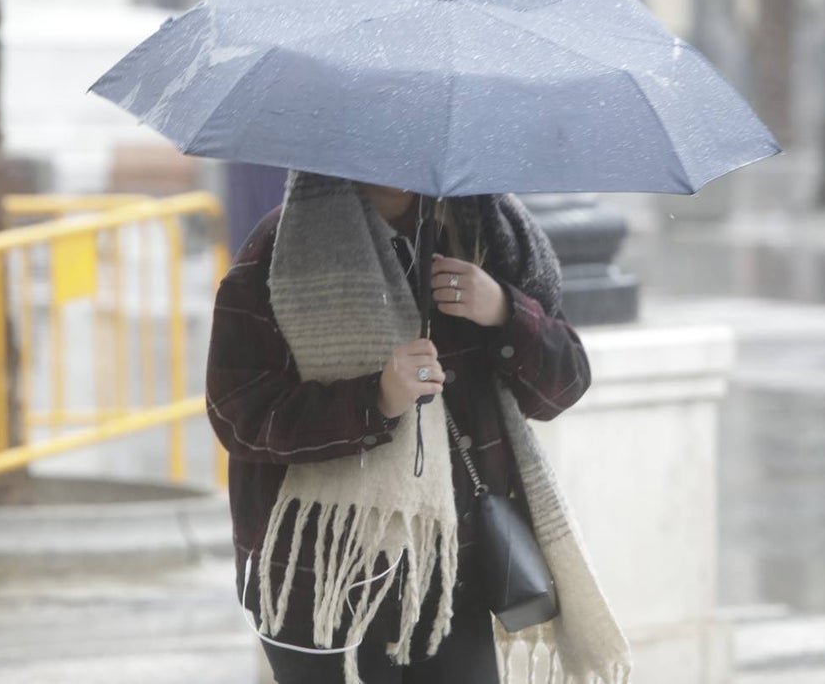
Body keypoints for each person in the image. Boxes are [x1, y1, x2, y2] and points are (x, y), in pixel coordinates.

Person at [206, 171, 595, 684]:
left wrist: (504, 310)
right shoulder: (279, 251)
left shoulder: (488, 238)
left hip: (455, 568)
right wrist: (375, 399)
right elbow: (239, 412)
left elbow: (564, 385)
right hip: (320, 581)